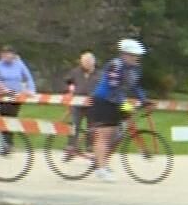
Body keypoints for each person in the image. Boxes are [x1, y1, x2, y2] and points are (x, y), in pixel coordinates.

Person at [87, 37, 149, 183]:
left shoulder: (134, 69)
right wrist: (127, 106)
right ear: (125, 55)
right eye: (134, 56)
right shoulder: (115, 66)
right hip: (104, 101)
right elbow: (113, 88)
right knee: (105, 135)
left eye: (137, 56)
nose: (136, 58)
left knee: (117, 134)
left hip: (117, 101)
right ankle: (101, 169)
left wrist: (144, 99)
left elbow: (135, 86)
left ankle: (102, 161)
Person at [0, 45, 36, 154]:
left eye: (10, 54)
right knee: (4, 118)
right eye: (5, 54)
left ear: (14, 55)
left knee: (12, 118)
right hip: (2, 96)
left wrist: (31, 90)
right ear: (1, 55)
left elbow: (28, 77)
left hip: (16, 95)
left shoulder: (19, 64)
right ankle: (5, 145)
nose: (7, 56)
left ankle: (9, 144)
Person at [60, 51, 99, 158]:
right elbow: (66, 82)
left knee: (92, 126)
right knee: (74, 124)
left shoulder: (99, 74)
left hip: (92, 103)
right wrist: (68, 90)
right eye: (84, 62)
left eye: (88, 61)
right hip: (77, 103)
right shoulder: (75, 72)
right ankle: (71, 147)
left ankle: (90, 148)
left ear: (93, 62)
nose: (86, 64)